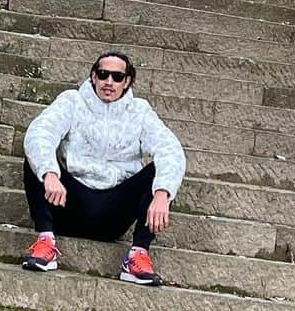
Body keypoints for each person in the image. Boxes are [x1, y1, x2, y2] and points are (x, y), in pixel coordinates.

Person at [20, 50, 186, 286]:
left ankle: (138, 255)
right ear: (93, 76)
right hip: (68, 204)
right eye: (103, 74)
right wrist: (49, 173)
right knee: (36, 158)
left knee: (158, 173)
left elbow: (170, 149)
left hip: (113, 213)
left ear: (127, 81)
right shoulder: (72, 101)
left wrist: (163, 193)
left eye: (117, 77)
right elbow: (40, 133)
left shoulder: (140, 111)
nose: (109, 82)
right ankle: (45, 241)